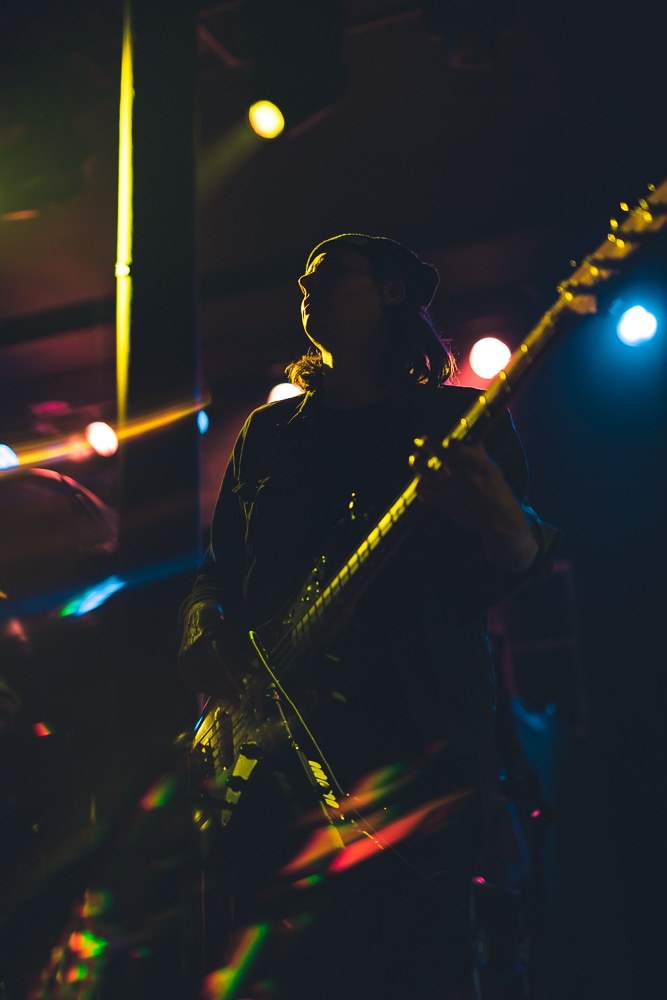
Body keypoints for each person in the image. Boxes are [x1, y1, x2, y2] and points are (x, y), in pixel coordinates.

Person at [178, 233, 560, 999]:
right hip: (277, 752)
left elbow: (513, 571)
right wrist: (202, 631)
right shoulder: (267, 434)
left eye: (329, 272)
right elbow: (218, 570)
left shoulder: (461, 420)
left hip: (411, 742)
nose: (304, 282)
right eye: (302, 276)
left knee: (411, 960)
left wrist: (506, 525)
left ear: (392, 294)